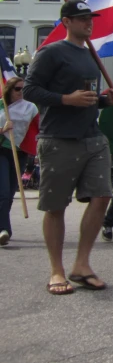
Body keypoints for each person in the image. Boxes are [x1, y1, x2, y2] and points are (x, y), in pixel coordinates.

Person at [23, 0, 113, 293]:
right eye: (81, 19)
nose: (88, 23)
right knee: (56, 206)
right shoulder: (51, 52)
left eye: (89, 18)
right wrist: (65, 99)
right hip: (58, 137)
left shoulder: (91, 54)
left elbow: (88, 98)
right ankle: (57, 271)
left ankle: (82, 264)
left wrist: (106, 100)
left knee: (103, 196)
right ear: (66, 21)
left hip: (93, 136)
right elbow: (29, 89)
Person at [0, 76, 38, 246]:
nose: (21, 92)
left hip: (20, 153)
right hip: (2, 151)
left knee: (9, 194)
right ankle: (4, 229)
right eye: (17, 89)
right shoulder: (1, 106)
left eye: (23, 88)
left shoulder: (29, 108)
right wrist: (2, 129)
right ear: (9, 90)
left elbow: (37, 126)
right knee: (3, 192)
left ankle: (2, 226)